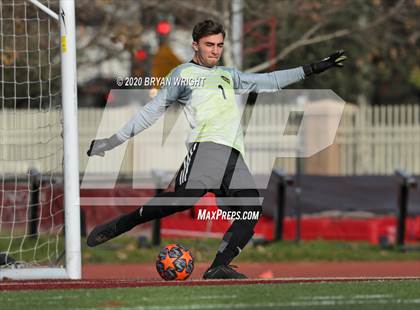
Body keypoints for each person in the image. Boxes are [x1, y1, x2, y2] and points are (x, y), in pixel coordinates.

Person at [86, 19, 347, 279]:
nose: (215, 50)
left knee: (251, 209)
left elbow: (269, 80)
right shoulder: (182, 74)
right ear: (195, 45)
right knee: (180, 202)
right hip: (207, 149)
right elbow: (150, 113)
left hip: (233, 155)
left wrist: (313, 68)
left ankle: (218, 267)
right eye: (209, 44)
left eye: (219, 45)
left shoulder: (228, 75)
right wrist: (112, 141)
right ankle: (124, 223)